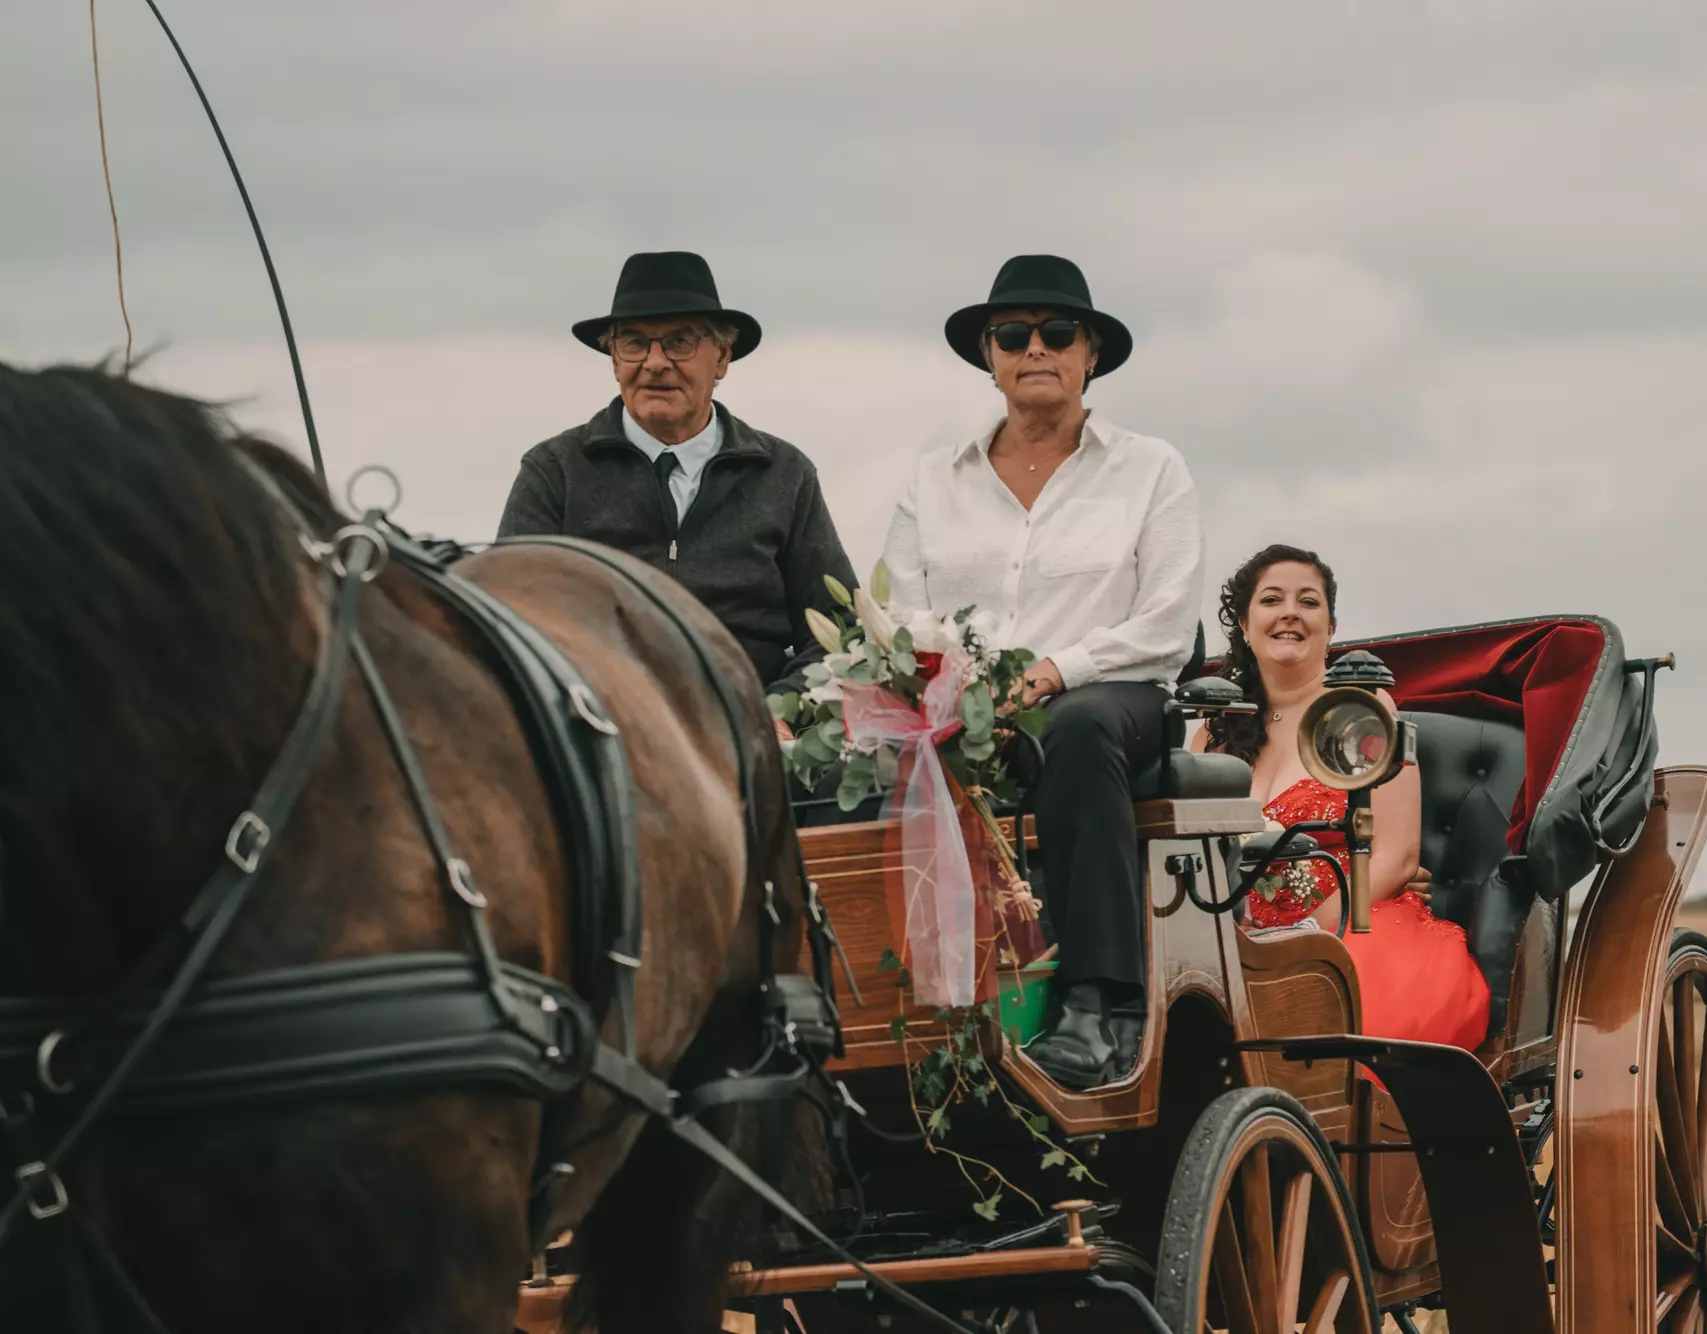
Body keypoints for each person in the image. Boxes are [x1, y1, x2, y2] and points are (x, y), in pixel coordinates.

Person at [883, 254, 1204, 1090]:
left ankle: (1100, 1004)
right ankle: (889, 1009)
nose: (1036, 348)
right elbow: (901, 608)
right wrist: (962, 682)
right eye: (1013, 335)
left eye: (1057, 333)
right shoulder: (931, 479)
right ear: (988, 357)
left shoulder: (1151, 469)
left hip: (1114, 695)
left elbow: (1166, 623)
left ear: (1090, 353)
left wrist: (1064, 669)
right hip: (963, 701)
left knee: (1079, 726)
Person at [498, 250, 855, 724]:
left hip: (759, 738)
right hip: (597, 733)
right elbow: (509, 616)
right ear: (613, 358)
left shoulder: (784, 474)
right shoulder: (555, 471)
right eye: (634, 343)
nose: (655, 362)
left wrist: (778, 711)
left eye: (679, 342)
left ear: (723, 357)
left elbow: (841, 628)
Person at [1193, 544, 1489, 1053]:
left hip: (1351, 921)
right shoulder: (1214, 728)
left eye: (1309, 602)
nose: (1290, 611)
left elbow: (1397, 855)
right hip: (1230, 932)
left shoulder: (1364, 709)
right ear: (1244, 624)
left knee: (1345, 1024)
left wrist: (1306, 930)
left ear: (1330, 627)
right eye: (1271, 600)